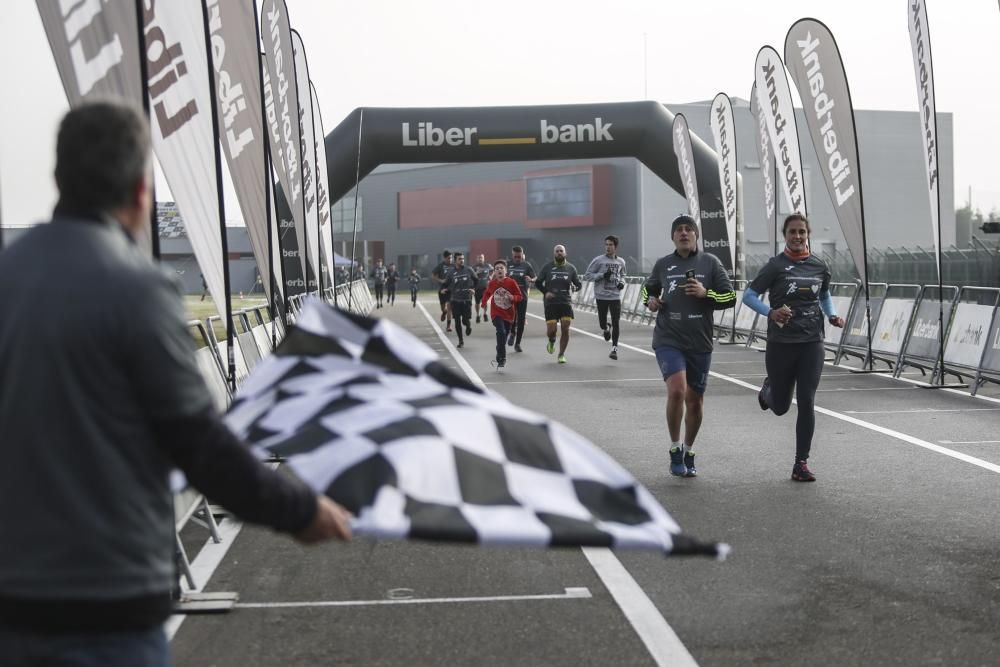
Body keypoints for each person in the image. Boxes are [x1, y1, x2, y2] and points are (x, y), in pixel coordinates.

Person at [0, 101, 351, 665]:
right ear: (142, 191)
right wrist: (298, 509)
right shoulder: (136, 289)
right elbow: (198, 443)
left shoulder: (10, 276)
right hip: (107, 604)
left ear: (58, 178)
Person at [742, 213, 845, 482]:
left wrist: (831, 314)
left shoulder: (819, 266)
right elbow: (749, 296)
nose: (797, 237)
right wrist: (771, 312)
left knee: (807, 400)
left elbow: (823, 294)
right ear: (785, 235)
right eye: (792, 232)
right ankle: (768, 391)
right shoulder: (775, 266)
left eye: (801, 232)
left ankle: (801, 463)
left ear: (807, 234)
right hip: (781, 344)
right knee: (781, 407)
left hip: (812, 343)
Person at [642, 214, 736, 478]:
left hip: (700, 341)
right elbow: (647, 290)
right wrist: (650, 301)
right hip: (668, 338)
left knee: (695, 402)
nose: (684, 233)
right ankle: (674, 448)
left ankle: (688, 449)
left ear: (696, 235)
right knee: (677, 391)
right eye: (679, 230)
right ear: (673, 237)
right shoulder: (664, 264)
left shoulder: (711, 263)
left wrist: (708, 294)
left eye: (689, 230)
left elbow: (730, 297)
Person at [535, 244, 582, 364]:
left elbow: (578, 284)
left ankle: (561, 354)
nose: (559, 253)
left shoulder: (571, 268)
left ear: (565, 253)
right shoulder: (547, 267)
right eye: (557, 251)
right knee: (551, 331)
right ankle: (551, 340)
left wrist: (575, 288)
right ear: (554, 254)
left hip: (565, 302)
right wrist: (546, 292)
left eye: (561, 251)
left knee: (565, 329)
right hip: (551, 303)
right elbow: (538, 283)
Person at [584, 235, 628, 360]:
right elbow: (588, 275)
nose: (608, 247)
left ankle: (614, 349)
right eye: (606, 244)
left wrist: (622, 283)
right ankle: (605, 328)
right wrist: (602, 275)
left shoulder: (621, 261)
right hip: (601, 295)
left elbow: (623, 275)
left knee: (616, 322)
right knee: (602, 323)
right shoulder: (598, 260)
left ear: (616, 247)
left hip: (615, 296)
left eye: (611, 245)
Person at [480, 259, 522, 368]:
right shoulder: (492, 283)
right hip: (496, 313)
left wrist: (513, 297)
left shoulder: (511, 282)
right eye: (497, 269)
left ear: (506, 271)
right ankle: (502, 358)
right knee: (501, 332)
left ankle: (499, 349)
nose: (499, 270)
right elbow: (487, 293)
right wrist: (483, 303)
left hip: (509, 315)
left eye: (501, 268)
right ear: (494, 272)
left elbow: (519, 296)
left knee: (503, 337)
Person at [442, 252, 477, 348]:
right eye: (459, 259)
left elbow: (476, 280)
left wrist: (473, 289)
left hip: (466, 300)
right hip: (455, 300)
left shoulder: (469, 270)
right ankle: (461, 340)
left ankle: (468, 325)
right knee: (457, 321)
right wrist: (443, 289)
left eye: (463, 258)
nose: (462, 260)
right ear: (455, 260)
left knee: (465, 320)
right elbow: (446, 283)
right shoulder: (451, 272)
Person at [507, 245, 536, 353]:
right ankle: (512, 332)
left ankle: (518, 343)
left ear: (522, 255)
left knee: (521, 319)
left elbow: (535, 277)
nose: (518, 259)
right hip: (510, 297)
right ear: (512, 255)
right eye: (515, 257)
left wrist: (532, 279)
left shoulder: (526, 265)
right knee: (511, 318)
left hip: (522, 296)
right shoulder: (508, 264)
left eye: (519, 257)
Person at [431, 250, 455, 331]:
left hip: (451, 289)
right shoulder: (440, 266)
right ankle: (444, 312)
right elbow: (433, 276)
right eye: (448, 258)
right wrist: (441, 281)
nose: (450, 259)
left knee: (449, 307)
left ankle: (448, 326)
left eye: (451, 258)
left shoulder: (454, 265)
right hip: (442, 289)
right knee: (443, 308)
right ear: (444, 258)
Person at [472, 253, 493, 324]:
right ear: (476, 259)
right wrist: (476, 272)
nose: (480, 259)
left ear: (484, 258)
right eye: (479, 258)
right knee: (477, 303)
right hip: (477, 288)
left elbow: (493, 271)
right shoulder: (474, 267)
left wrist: (491, 276)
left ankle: (485, 314)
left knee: (485, 301)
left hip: (485, 287)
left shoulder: (488, 266)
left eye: (481, 258)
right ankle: (478, 315)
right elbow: (471, 276)